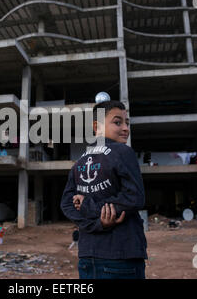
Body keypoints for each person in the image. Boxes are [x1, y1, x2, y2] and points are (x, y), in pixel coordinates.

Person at [60, 100, 148, 279]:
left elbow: (67, 205)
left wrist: (94, 221)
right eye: (117, 122)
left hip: (86, 258)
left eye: (127, 123)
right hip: (120, 257)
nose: (125, 128)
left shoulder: (80, 161)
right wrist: (99, 217)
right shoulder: (123, 152)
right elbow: (135, 198)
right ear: (97, 126)